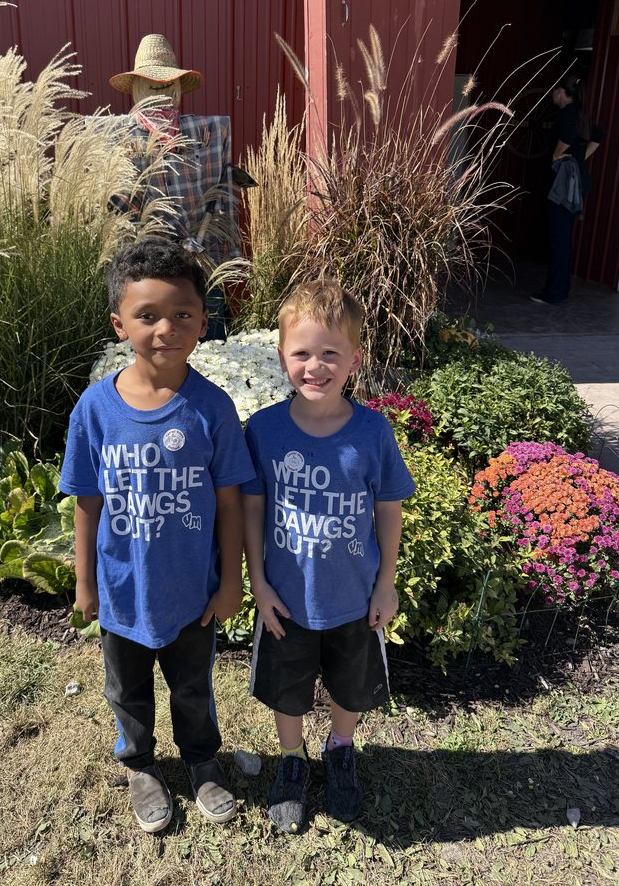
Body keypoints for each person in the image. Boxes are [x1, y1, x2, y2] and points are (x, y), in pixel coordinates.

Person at [58, 238, 255, 833]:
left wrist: (231, 583)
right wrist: (85, 581)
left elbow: (229, 504)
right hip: (121, 594)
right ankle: (140, 764)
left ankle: (201, 760)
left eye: (182, 314)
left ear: (203, 321)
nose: (166, 328)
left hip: (192, 593)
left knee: (193, 688)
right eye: (148, 316)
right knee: (128, 691)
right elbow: (86, 503)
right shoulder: (94, 411)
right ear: (120, 324)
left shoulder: (212, 408)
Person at [241, 280, 415, 832]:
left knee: (351, 686)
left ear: (355, 359)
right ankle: (292, 760)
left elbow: (389, 508)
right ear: (281, 356)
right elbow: (250, 510)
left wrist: (386, 583)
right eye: (302, 353)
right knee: (287, 691)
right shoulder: (263, 430)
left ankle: (340, 747)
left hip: (354, 600)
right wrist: (259, 583)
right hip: (286, 602)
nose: (315, 366)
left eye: (330, 353)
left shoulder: (372, 432)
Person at [109, 34, 241, 339]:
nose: (161, 86)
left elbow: (218, 193)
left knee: (205, 333)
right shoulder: (121, 139)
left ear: (178, 85)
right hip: (145, 264)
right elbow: (115, 207)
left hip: (198, 252)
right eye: (151, 80)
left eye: (168, 80)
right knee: (156, 337)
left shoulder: (204, 133)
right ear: (137, 87)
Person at [531, 73, 603, 306]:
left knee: (559, 240)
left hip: (563, 188)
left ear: (561, 92)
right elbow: (598, 137)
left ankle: (554, 293)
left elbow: (568, 137)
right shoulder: (580, 114)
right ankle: (561, 288)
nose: (552, 94)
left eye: (554, 91)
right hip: (576, 184)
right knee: (563, 239)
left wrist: (557, 155)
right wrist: (581, 157)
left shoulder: (566, 115)